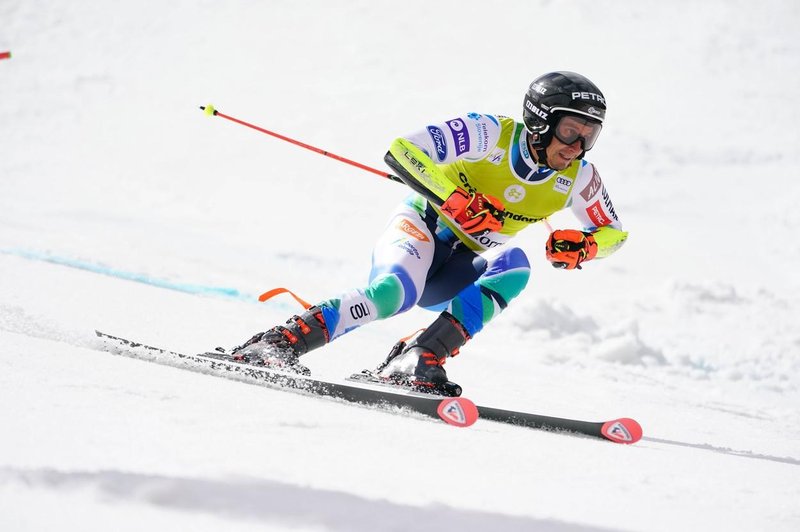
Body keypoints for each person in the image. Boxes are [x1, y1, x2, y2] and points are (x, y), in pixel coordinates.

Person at [230, 71, 628, 396]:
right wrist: (453, 198)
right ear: (541, 122)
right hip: (421, 228)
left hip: (457, 266)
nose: (577, 146)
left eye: (589, 136)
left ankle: (418, 356)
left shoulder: (579, 177)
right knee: (394, 294)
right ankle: (279, 343)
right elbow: (403, 151)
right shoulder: (489, 133)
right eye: (571, 131)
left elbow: (615, 233)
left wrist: (589, 245)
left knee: (516, 266)